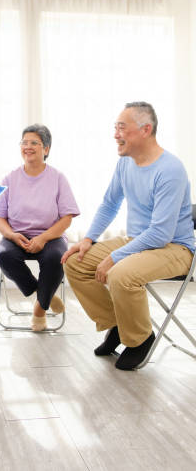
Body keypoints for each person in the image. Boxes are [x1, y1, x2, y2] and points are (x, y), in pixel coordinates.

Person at [62, 102, 195, 370]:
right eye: (115, 127)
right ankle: (117, 325)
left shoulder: (169, 170)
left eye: (122, 127)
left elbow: (161, 233)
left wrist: (116, 256)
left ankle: (140, 339)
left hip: (174, 248)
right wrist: (88, 239)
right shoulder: (125, 164)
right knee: (75, 261)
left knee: (120, 273)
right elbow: (110, 204)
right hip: (138, 241)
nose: (115, 134)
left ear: (146, 130)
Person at [0, 124, 80, 331]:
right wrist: (12, 236)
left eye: (34, 143)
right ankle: (43, 296)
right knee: (4, 256)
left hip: (51, 235)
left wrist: (43, 238)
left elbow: (67, 217)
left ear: (46, 149)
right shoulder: (9, 179)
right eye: (24, 142)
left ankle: (39, 310)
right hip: (16, 235)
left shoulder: (58, 178)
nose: (28, 147)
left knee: (56, 258)